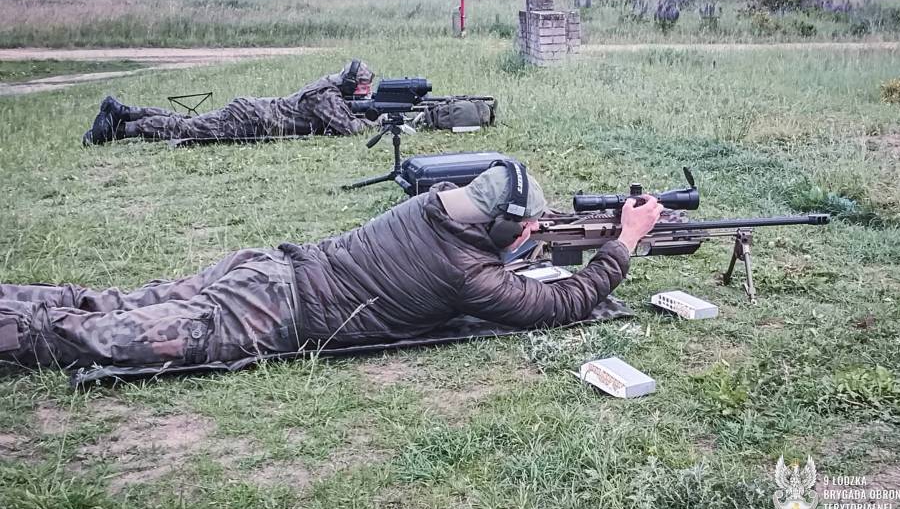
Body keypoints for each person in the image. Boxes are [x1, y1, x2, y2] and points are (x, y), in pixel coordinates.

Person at [0, 163, 663, 372]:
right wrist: (626, 242)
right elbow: (560, 304)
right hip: (267, 313)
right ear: (496, 225)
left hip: (264, 267)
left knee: (109, 300)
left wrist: (519, 239)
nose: (529, 233)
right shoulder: (466, 272)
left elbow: (482, 248)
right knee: (95, 337)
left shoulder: (431, 204)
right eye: (522, 225)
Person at [82, 60, 377, 146]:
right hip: (250, 118)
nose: (365, 92)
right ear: (349, 83)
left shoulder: (329, 89)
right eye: (362, 87)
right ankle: (120, 130)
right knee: (187, 129)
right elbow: (350, 129)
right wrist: (379, 120)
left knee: (187, 122)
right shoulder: (325, 95)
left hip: (251, 113)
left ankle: (124, 112)